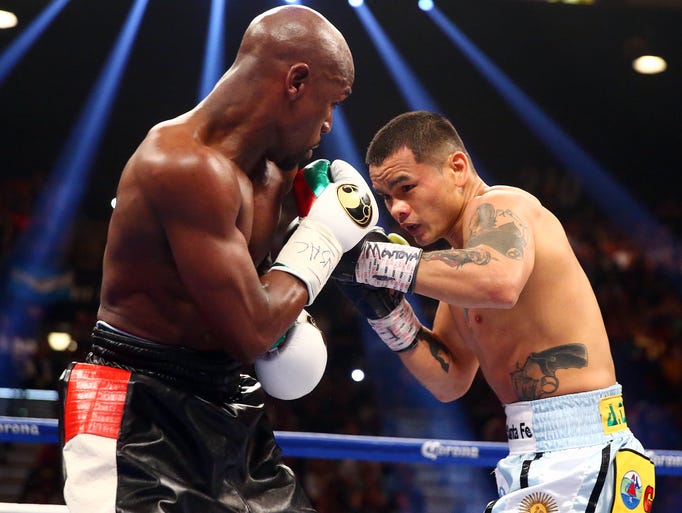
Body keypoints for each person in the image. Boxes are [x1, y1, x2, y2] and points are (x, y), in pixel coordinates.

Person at [58, 6, 378, 513]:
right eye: (330, 101)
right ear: (296, 81)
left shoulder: (281, 171)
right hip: (134, 406)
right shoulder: (181, 164)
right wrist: (321, 239)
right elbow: (252, 331)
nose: (328, 123)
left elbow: (267, 300)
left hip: (230, 399)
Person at [334, 111, 655, 513]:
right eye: (387, 196)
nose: (396, 208)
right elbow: (449, 380)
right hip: (534, 455)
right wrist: (384, 311)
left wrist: (380, 261)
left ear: (457, 167)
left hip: (582, 452)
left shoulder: (504, 204)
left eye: (407, 187)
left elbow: (500, 281)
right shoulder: (461, 270)